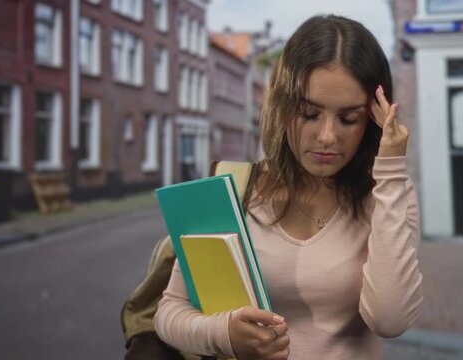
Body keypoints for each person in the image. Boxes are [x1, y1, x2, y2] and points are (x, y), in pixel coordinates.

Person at [153, 14, 423, 360]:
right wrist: (224, 333)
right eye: (309, 114)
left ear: (373, 119)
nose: (327, 136)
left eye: (348, 118)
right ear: (282, 106)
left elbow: (390, 319)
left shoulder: (389, 195)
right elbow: (170, 311)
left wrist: (389, 170)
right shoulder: (234, 190)